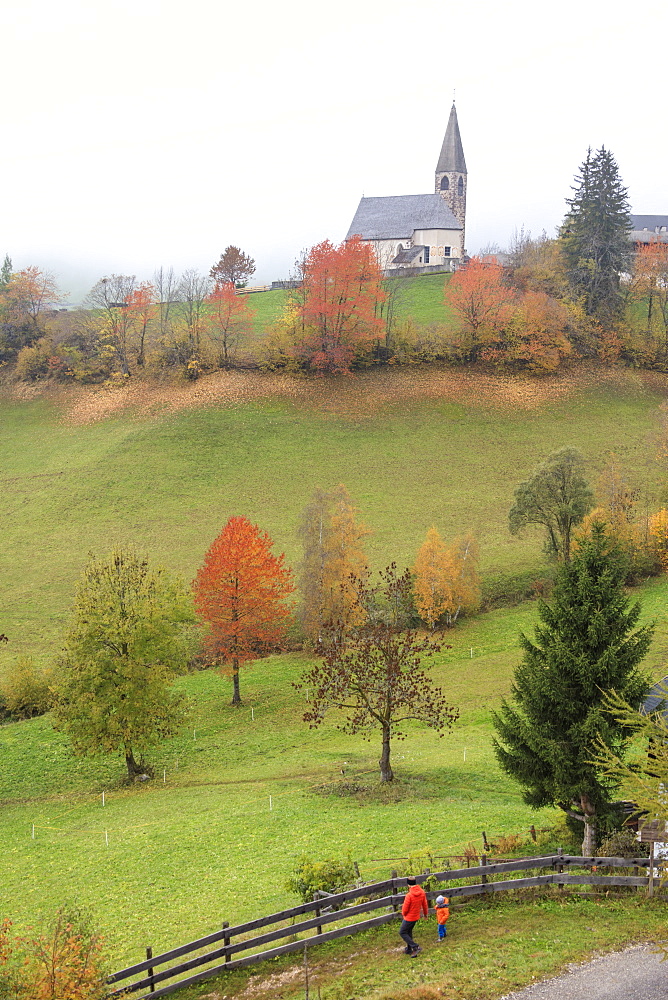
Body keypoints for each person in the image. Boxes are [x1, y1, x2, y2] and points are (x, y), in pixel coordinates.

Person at [399, 876, 428, 956]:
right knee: (408, 931)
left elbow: (405, 909)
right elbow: (425, 904)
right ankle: (409, 949)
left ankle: (415, 947)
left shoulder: (409, 895)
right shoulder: (422, 892)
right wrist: (425, 914)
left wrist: (403, 914)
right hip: (416, 916)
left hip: (409, 917)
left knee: (402, 932)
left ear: (408, 884)